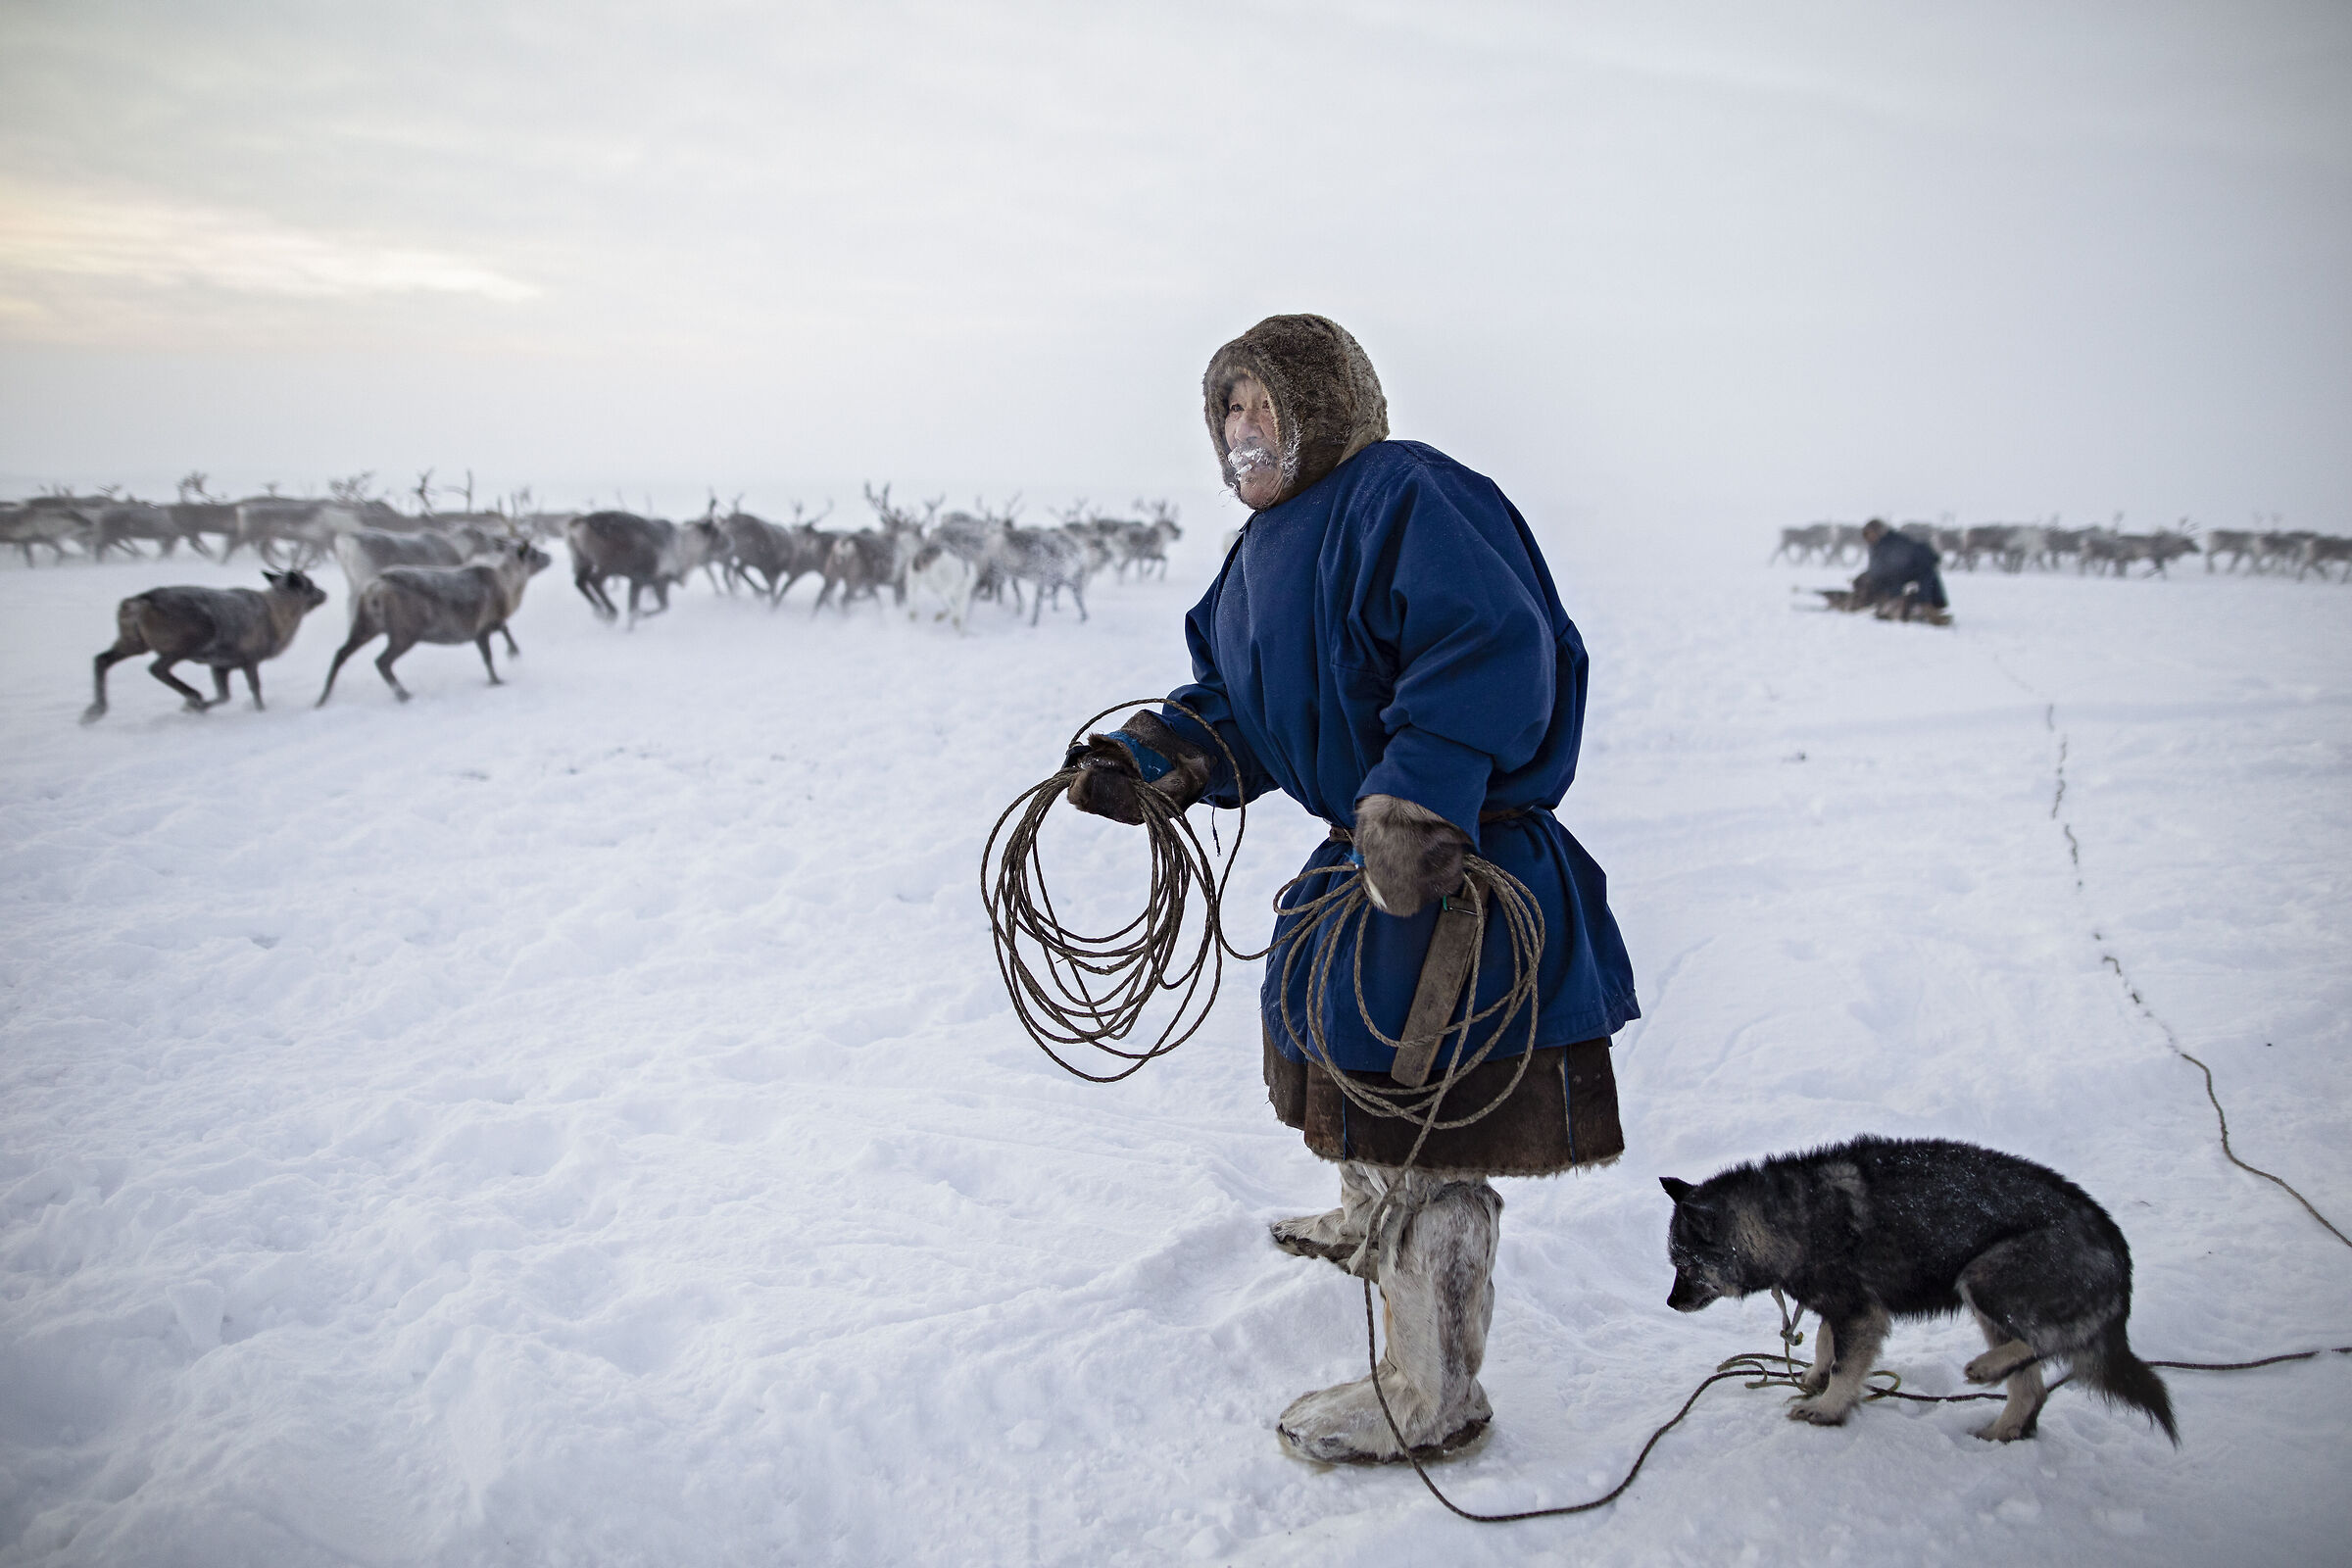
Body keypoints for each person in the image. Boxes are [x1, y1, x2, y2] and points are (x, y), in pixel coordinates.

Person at [1064, 314, 1640, 1464]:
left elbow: (1484, 646)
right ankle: (1369, 1206)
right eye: (1227, 411)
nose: (1242, 432)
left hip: (1452, 857)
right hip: (1361, 855)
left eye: (1263, 406)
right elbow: (1243, 707)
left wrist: (1418, 800)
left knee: (1433, 1117)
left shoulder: (1409, 495)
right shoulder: (1255, 558)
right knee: (1350, 1056)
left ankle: (1434, 1396)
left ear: (1321, 406)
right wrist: (1158, 759)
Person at [1851, 518, 1949, 619]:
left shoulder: (1894, 542)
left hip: (1900, 582)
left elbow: (1895, 571)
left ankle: (1925, 607)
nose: (1868, 538)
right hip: (1889, 584)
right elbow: (1880, 570)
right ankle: (1918, 606)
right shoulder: (1877, 546)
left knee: (1926, 573)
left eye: (1870, 534)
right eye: (1866, 535)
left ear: (1878, 532)